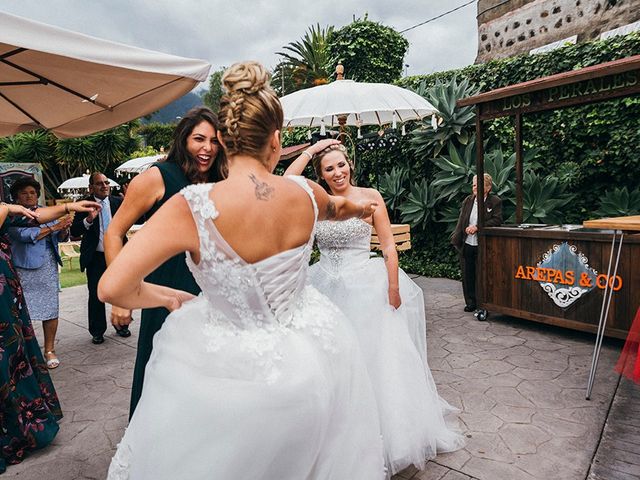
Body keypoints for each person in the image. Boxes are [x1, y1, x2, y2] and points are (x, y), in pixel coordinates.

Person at [100, 61, 385, 480]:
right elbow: (340, 208)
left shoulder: (193, 206)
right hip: (315, 359)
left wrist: (168, 297)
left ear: (224, 142)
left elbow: (113, 286)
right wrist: (363, 206)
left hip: (225, 375)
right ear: (275, 139)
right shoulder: (306, 193)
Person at [285, 142, 465, 474]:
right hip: (322, 284)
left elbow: (387, 246)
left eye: (341, 165)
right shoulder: (316, 199)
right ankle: (334, 433)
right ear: (320, 175)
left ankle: (381, 432)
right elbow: (287, 182)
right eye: (329, 168)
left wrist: (393, 287)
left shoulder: (370, 196)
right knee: (328, 359)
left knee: (373, 358)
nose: (337, 173)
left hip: (365, 285)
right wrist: (313, 150)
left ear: (350, 165)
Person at [104, 107, 226, 417]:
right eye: (199, 139)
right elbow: (114, 232)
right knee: (163, 377)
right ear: (183, 139)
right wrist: (123, 296)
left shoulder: (221, 182)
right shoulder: (158, 176)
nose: (207, 148)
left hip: (212, 293)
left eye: (214, 141)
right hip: (166, 291)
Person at [0, 198, 99, 474]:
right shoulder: (4, 208)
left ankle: (21, 427)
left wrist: (69, 207)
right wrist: (7, 209)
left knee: (13, 357)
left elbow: (34, 216)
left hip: (6, 295)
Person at [8, 177, 70, 369]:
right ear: (16, 197)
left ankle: (49, 349)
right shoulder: (13, 215)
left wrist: (63, 230)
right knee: (21, 311)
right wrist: (54, 226)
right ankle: (24, 351)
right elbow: (24, 235)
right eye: (24, 193)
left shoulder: (46, 212)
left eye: (32, 192)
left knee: (50, 308)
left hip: (48, 266)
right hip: (24, 268)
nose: (29, 196)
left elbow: (59, 237)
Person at [70, 172, 129, 344]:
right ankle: (97, 331)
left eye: (106, 182)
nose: (104, 186)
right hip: (96, 258)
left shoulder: (118, 203)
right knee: (96, 295)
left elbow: (139, 218)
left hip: (118, 256)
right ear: (91, 187)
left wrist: (131, 202)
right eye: (99, 183)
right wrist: (88, 220)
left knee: (121, 293)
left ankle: (122, 326)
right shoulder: (84, 205)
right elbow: (74, 231)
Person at [451, 173, 503, 314]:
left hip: (483, 244)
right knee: (468, 274)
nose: (474, 188)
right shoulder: (468, 200)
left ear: (488, 187)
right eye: (473, 185)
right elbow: (462, 220)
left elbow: (497, 220)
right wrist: (458, 236)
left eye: (478, 185)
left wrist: (478, 227)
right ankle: (471, 302)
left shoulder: (495, 201)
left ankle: (483, 303)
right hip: (467, 242)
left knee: (482, 274)